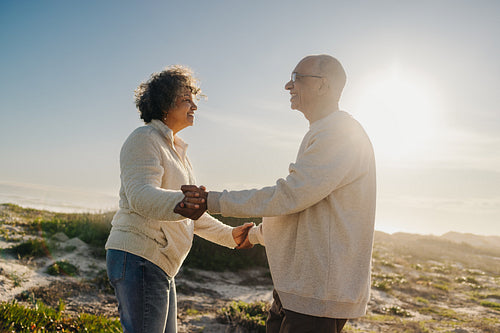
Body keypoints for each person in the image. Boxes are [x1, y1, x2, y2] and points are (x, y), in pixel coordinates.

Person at [175, 54, 376, 333]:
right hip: (297, 289)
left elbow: (290, 196)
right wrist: (255, 235)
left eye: (297, 78)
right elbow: (300, 207)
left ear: (323, 86)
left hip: (318, 294)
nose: (287, 86)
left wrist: (212, 200)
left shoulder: (340, 133)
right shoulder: (324, 131)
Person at [105, 65, 253, 333]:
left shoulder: (177, 151)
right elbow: (141, 196)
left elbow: (190, 216)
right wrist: (184, 203)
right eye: (186, 99)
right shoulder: (144, 138)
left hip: (158, 263)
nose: (194, 106)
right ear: (164, 103)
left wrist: (231, 236)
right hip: (138, 256)